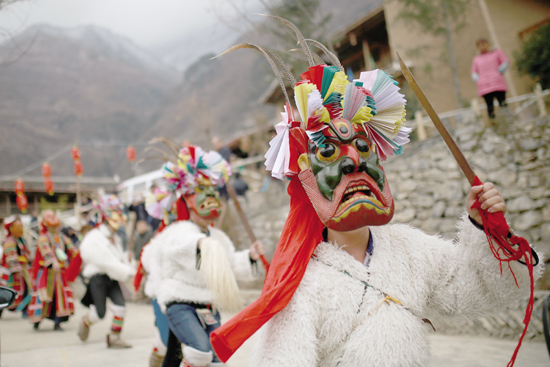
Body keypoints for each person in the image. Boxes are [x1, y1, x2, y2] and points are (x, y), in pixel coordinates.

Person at [210, 18, 541, 367]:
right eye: (328, 153)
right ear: (305, 181)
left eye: (363, 146)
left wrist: (486, 228)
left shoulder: (409, 250)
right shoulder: (299, 285)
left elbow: (486, 291)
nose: (353, 162)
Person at [148, 144, 264, 367]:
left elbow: (230, 264)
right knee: (200, 352)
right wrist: (201, 244)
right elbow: (179, 248)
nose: (210, 197)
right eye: (202, 193)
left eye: (213, 193)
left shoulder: (218, 236)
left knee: (216, 357)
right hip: (181, 302)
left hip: (208, 305)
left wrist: (250, 257)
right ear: (189, 200)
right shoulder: (178, 231)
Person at [78, 195, 133, 348]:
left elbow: (118, 259)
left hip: (113, 277)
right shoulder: (95, 237)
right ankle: (85, 322)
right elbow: (103, 260)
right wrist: (126, 270)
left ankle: (114, 337)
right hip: (98, 278)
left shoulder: (115, 238)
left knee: (121, 307)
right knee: (99, 313)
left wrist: (128, 264)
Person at [28, 210, 81, 330]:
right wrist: (53, 262)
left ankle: (58, 322)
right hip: (47, 273)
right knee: (44, 297)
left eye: (53, 216)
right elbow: (46, 250)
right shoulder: (43, 238)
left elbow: (73, 250)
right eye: (49, 217)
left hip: (60, 274)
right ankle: (37, 321)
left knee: (60, 297)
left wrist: (81, 256)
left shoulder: (62, 237)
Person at [1, 216, 33, 316]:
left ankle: (25, 310)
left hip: (24, 269)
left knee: (28, 288)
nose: (20, 229)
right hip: (11, 271)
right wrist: (16, 270)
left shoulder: (22, 240)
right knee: (7, 291)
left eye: (21, 227)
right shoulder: (9, 241)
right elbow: (11, 257)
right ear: (10, 228)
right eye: (17, 227)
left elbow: (26, 253)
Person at [471, 38, 509, 119]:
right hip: (485, 86)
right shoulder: (476, 59)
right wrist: (477, 79)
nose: (482, 46)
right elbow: (474, 71)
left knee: (503, 104)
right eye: (480, 45)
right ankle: (493, 123)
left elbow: (505, 61)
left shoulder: (497, 53)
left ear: (488, 44)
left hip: (498, 83)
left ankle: (508, 120)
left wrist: (501, 70)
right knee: (490, 107)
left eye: (484, 44)